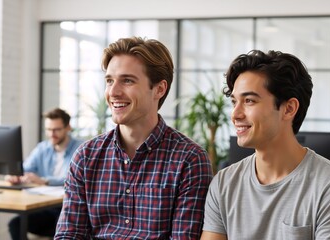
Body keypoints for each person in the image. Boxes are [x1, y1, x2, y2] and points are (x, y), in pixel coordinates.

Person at [54, 37, 213, 239]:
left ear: (159, 89)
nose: (113, 92)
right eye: (109, 80)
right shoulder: (86, 157)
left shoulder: (189, 160)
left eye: (127, 80)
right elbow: (69, 234)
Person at [201, 50, 330, 240]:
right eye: (234, 102)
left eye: (249, 101)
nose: (235, 114)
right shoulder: (224, 183)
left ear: (289, 109)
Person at [5, 107, 83, 240]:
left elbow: (75, 179)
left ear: (68, 127)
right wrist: (15, 174)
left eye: (56, 130)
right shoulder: (43, 148)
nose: (52, 134)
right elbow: (25, 168)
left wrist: (45, 181)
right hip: (46, 207)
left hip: (69, 208)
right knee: (15, 224)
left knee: (64, 228)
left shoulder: (81, 149)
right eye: (48, 130)